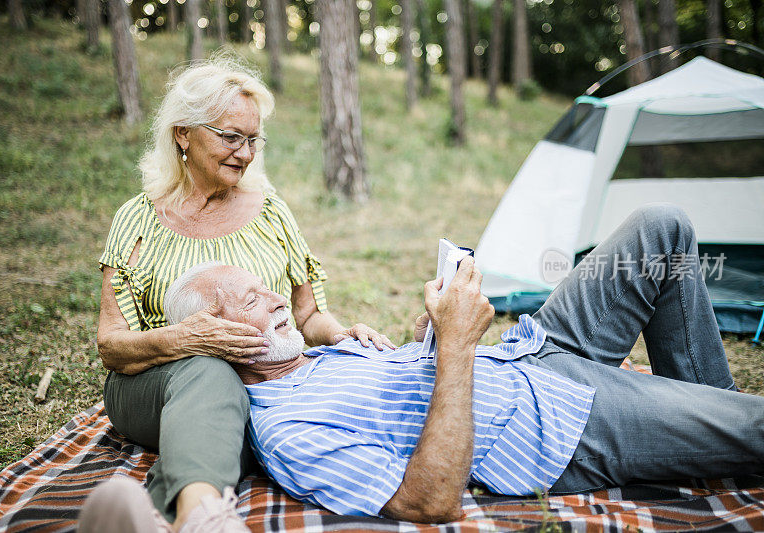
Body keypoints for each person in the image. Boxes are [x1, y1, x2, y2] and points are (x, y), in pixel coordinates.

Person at [159, 204, 764, 524]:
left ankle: (711, 413)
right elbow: (428, 500)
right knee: (757, 426)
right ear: (213, 336)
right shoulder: (286, 431)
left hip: (537, 350)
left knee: (661, 229)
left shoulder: (322, 354)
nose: (275, 300)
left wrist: (428, 339)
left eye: (266, 288)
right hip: (558, 425)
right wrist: (454, 348)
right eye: (249, 301)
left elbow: (410, 391)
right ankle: (725, 427)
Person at [88, 54, 393, 532]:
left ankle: (165, 516)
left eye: (253, 140)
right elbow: (111, 345)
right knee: (213, 375)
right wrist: (186, 340)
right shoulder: (137, 219)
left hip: (263, 385)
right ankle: (203, 519)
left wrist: (343, 336)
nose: (245, 153)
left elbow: (308, 315)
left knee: (263, 411)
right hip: (155, 383)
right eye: (230, 137)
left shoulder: (270, 210)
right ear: (182, 134)